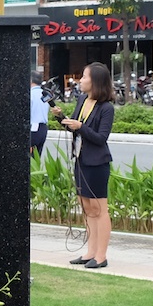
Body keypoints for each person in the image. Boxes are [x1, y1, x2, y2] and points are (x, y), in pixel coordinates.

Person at [56, 62, 114, 269]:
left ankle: (101, 255)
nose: (81, 80)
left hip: (97, 163)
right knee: (88, 208)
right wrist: (62, 118)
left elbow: (100, 138)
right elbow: (76, 131)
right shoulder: (82, 99)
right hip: (80, 159)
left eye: (85, 77)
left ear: (96, 81)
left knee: (100, 208)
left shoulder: (106, 108)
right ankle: (90, 252)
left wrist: (80, 126)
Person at [29, 72, 50, 157]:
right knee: (37, 158)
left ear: (30, 80)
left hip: (32, 129)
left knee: (29, 161)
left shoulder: (29, 94)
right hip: (43, 129)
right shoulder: (46, 95)